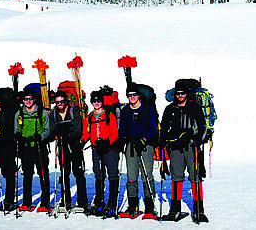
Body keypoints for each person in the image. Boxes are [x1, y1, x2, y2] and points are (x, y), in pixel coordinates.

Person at [160, 81, 209, 222]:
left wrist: (198, 139)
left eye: (182, 93)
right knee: (176, 177)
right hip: (175, 146)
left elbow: (202, 125)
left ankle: (199, 210)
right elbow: (164, 127)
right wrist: (163, 142)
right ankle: (175, 209)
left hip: (192, 146)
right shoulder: (170, 109)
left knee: (195, 177)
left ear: (187, 94)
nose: (180, 96)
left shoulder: (195, 108)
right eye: (178, 94)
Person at [118, 82, 157, 218]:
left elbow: (153, 128)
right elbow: (122, 128)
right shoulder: (125, 110)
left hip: (145, 145)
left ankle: (149, 207)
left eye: (134, 95)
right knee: (131, 177)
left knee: (147, 175)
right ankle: (132, 207)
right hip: (131, 146)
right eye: (129, 95)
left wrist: (144, 139)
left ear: (138, 95)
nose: (132, 97)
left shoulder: (148, 109)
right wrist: (122, 140)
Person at [49, 90, 88, 213]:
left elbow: (78, 130)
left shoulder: (73, 112)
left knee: (78, 172)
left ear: (66, 101)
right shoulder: (54, 113)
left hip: (75, 146)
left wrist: (67, 134)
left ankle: (82, 201)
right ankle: (66, 199)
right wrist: (55, 134)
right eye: (57, 102)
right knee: (64, 173)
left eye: (61, 101)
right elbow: (51, 130)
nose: (59, 104)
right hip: (62, 146)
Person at [82, 91, 119, 217]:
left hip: (109, 149)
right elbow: (86, 132)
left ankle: (112, 204)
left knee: (112, 174)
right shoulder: (90, 117)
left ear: (102, 102)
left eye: (98, 101)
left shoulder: (109, 115)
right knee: (99, 174)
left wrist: (107, 142)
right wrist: (81, 141)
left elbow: (114, 132)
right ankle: (99, 201)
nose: (96, 103)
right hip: (96, 148)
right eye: (94, 101)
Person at [14, 88, 51, 212]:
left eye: (30, 99)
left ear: (34, 99)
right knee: (27, 174)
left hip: (39, 146)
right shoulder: (19, 113)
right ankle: (26, 202)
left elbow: (47, 129)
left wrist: (40, 137)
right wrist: (17, 135)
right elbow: (17, 128)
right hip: (25, 146)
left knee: (43, 173)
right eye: (25, 99)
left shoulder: (42, 112)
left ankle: (45, 203)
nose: (28, 101)